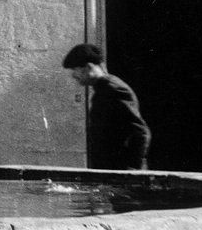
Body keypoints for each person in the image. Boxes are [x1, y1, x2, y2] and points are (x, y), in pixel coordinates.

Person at [62, 42, 151, 170]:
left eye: (75, 69)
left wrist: (131, 171)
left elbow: (141, 133)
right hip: (110, 171)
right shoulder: (104, 89)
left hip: (119, 173)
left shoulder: (114, 89)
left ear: (88, 67)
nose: (74, 75)